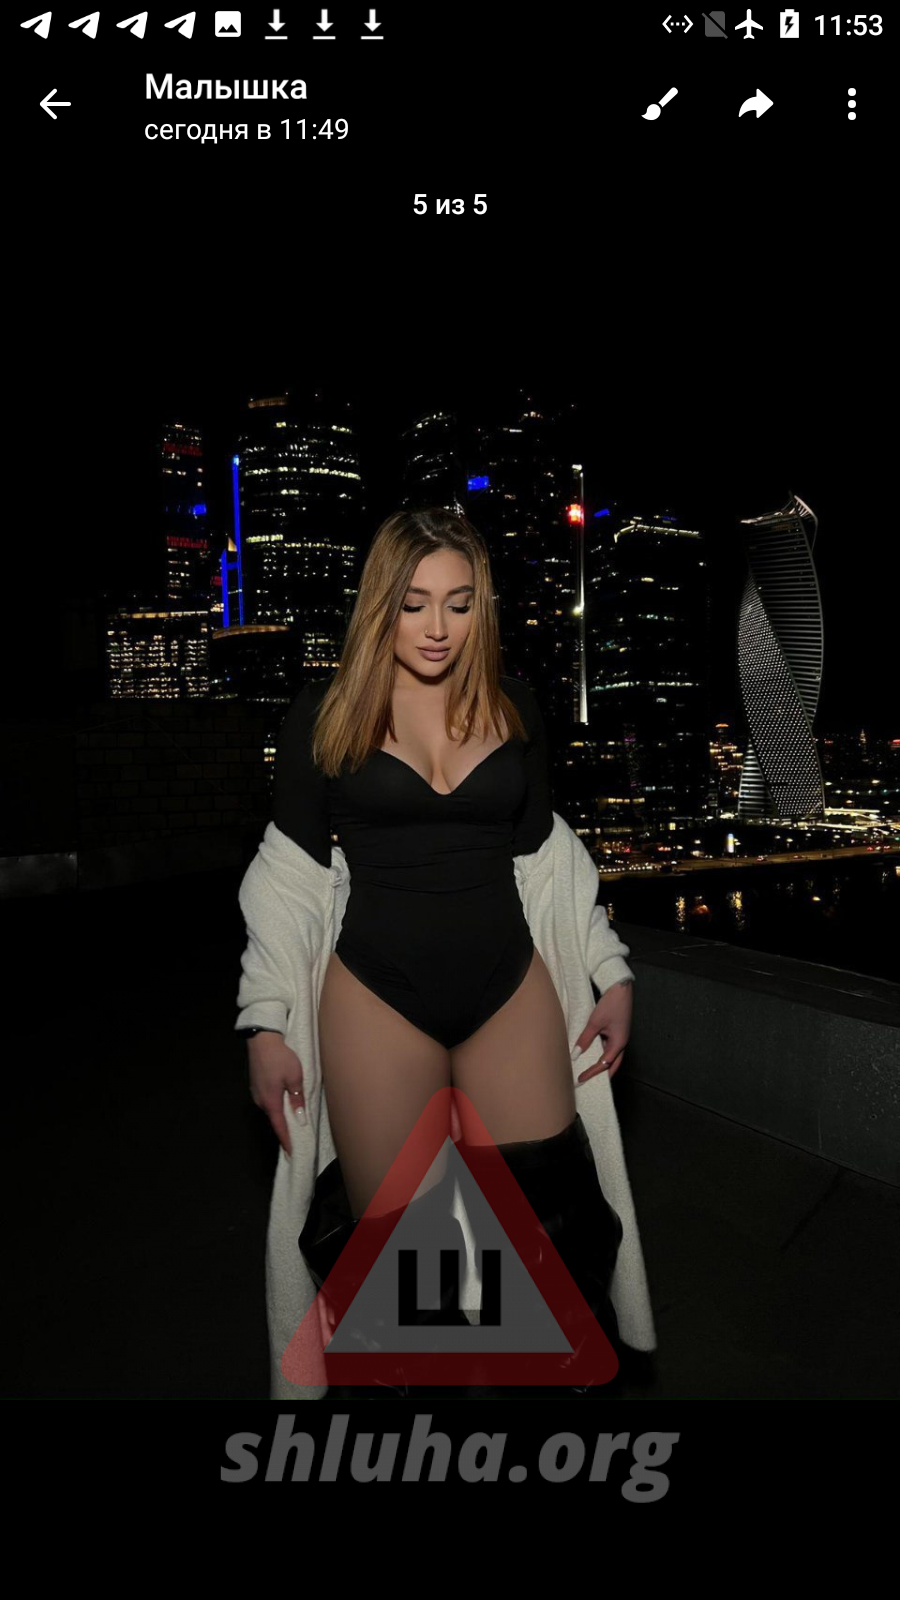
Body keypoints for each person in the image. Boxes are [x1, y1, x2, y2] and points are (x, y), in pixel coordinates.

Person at [237, 507, 642, 1398]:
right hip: (376, 998)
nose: (436, 627)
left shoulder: (513, 705)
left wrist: (609, 970)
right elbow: (286, 881)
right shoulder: (323, 714)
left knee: (544, 1231)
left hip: (509, 990)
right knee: (405, 1262)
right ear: (380, 602)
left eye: (459, 604)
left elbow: (549, 861)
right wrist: (265, 1022)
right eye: (414, 602)